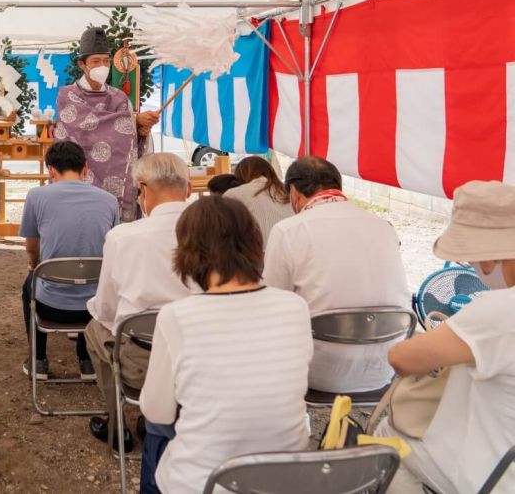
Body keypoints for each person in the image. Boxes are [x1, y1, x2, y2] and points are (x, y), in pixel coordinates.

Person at [139, 196, 312, 494]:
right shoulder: (295, 306)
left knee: (158, 430)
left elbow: (157, 411)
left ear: (187, 252)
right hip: (285, 478)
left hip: (202, 482)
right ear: (255, 242)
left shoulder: (176, 316)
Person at [377, 181, 515, 494]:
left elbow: (401, 357)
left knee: (389, 436)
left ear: (490, 258)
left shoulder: (498, 310)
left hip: (493, 477)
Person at [264, 156, 411, 393]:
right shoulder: (382, 226)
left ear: (293, 192)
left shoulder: (289, 230)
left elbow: (272, 302)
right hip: (383, 366)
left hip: (317, 371)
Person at [84, 153, 195, 452]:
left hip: (140, 361)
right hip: (199, 356)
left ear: (142, 190)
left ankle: (117, 423)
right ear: (188, 188)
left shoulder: (123, 236)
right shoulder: (213, 233)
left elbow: (106, 308)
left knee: (95, 330)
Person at [19, 141, 118, 380]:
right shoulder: (109, 200)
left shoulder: (36, 196)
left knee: (29, 285)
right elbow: (114, 248)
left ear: (51, 170)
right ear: (85, 168)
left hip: (50, 306)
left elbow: (32, 246)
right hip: (95, 308)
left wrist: (35, 265)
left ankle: (38, 359)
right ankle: (87, 359)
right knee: (97, 278)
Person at [54, 27, 159, 222]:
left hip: (118, 183)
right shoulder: (67, 94)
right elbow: (82, 124)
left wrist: (141, 131)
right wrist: (133, 121)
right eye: (95, 61)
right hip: (79, 174)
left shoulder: (118, 96)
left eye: (106, 61)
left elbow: (130, 140)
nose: (102, 66)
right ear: (82, 64)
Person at [225, 156, 294, 243]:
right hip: (290, 249)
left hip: (254, 253)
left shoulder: (234, 194)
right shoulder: (290, 193)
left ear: (240, 175)